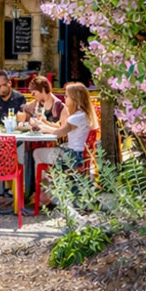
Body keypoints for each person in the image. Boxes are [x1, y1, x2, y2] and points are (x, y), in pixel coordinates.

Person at [33, 82, 99, 210]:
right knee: (42, 154)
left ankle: (44, 191)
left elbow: (59, 133)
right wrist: (45, 123)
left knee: (37, 153)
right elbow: (62, 128)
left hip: (72, 156)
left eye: (67, 96)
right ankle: (49, 188)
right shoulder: (83, 115)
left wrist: (41, 126)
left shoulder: (76, 117)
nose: (65, 99)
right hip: (79, 155)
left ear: (75, 99)